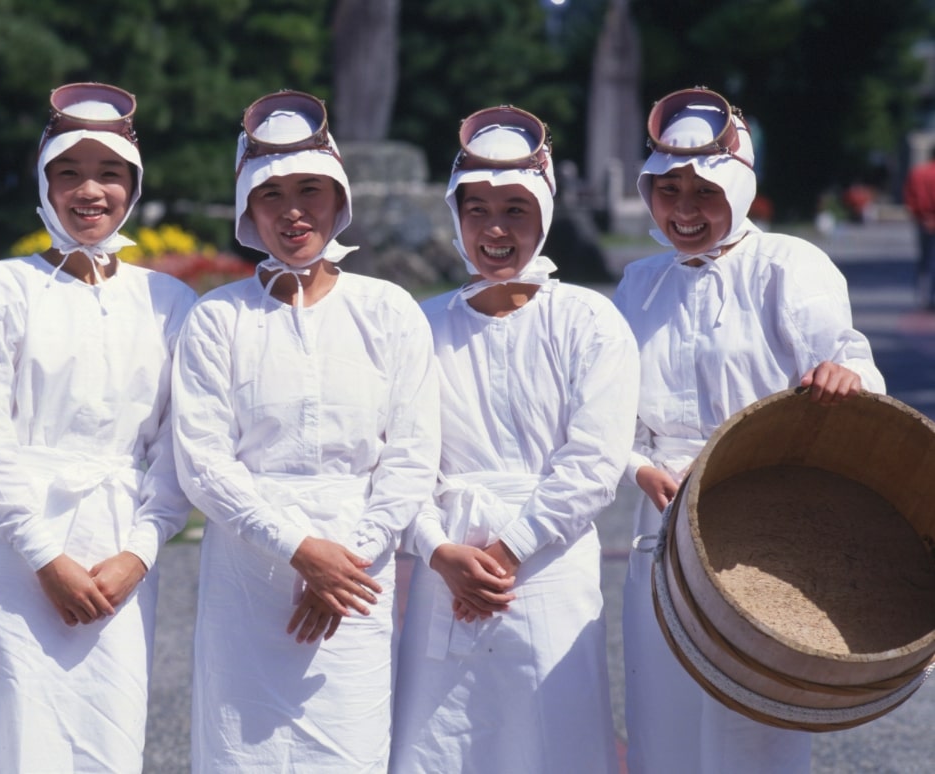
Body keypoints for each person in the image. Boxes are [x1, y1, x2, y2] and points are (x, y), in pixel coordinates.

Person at [614, 87, 885, 774]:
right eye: (666, 189)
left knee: (755, 736)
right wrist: (635, 464)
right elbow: (608, 414)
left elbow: (855, 367)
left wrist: (843, 379)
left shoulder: (789, 267)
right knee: (662, 729)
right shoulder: (638, 284)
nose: (681, 210)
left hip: (762, 530)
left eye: (702, 191)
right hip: (661, 533)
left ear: (738, 186)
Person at [172, 90, 441, 772]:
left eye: (310, 189)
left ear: (339, 197)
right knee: (242, 753)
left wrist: (345, 560)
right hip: (248, 572)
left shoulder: (389, 311)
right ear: (246, 208)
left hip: (357, 575)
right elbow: (203, 461)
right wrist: (296, 548)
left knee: (348, 748)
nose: (293, 210)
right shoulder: (217, 318)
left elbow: (412, 455)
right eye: (273, 193)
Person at [0, 82, 196, 773]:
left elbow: (180, 445)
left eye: (110, 173)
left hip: (117, 548)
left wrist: (139, 551)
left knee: (107, 734)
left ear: (134, 185)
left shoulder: (168, 300)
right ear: (44, 180)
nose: (91, 191)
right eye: (70, 172)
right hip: (13, 551)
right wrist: (45, 557)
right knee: (17, 730)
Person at [389, 106, 635, 774]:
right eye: (478, 209)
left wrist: (505, 550)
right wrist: (439, 552)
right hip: (447, 562)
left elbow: (593, 463)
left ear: (546, 212)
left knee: (553, 734)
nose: (495, 230)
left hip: (548, 566)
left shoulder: (589, 320)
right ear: (455, 213)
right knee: (443, 740)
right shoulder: (418, 325)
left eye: (516, 210)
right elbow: (396, 458)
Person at [903, 147, 935, 309]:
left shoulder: (917, 173)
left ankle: (923, 296)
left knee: (924, 259)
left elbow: (910, 198)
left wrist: (922, 217)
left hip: (923, 221)